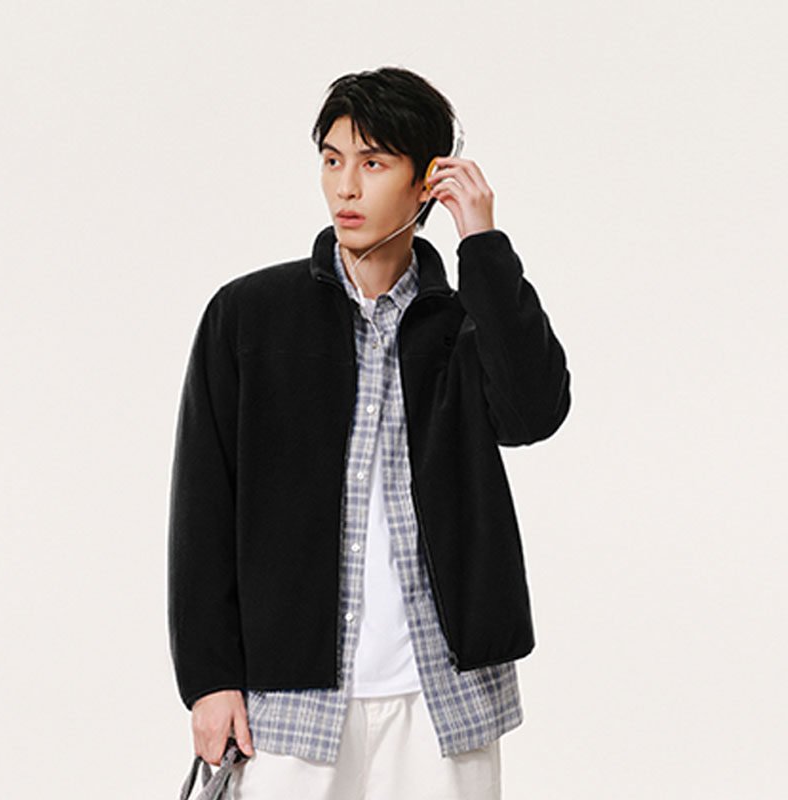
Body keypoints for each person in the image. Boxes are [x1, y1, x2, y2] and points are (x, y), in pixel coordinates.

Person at [168, 66, 571, 799]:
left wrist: (482, 243)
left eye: (374, 163)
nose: (345, 187)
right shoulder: (249, 316)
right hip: (289, 697)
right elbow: (203, 505)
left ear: (427, 182)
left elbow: (534, 413)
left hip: (443, 694)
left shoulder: (466, 322)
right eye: (332, 160)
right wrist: (209, 679)